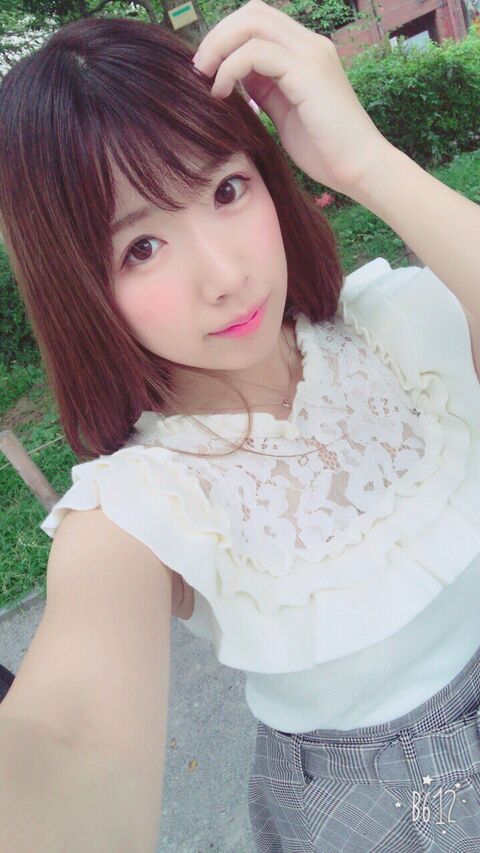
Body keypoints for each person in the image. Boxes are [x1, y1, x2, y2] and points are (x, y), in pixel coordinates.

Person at [0, 1, 479, 850]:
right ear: (81, 289)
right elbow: (73, 740)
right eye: (141, 247)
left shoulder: (401, 325)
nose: (224, 274)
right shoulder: (139, 507)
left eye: (227, 189)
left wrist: (367, 161)